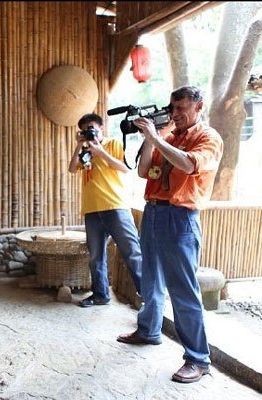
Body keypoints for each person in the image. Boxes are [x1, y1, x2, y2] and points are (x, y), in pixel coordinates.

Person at [117, 86, 223, 384]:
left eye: (182, 109)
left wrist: (154, 137)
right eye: (173, 108)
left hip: (180, 217)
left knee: (183, 290)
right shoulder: (169, 134)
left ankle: (198, 359)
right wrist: (149, 139)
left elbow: (189, 164)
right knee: (149, 277)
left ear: (198, 107)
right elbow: (142, 172)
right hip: (152, 211)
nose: (175, 114)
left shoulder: (209, 137)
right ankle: (149, 330)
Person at [68, 113, 142, 307]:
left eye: (92, 128)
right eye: (85, 130)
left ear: (102, 128)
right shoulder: (85, 151)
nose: (89, 132)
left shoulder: (113, 143)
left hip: (115, 206)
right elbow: (72, 168)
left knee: (132, 252)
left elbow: (125, 168)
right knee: (95, 257)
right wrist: (79, 145)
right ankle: (100, 294)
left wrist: (100, 152)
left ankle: (148, 296)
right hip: (92, 209)